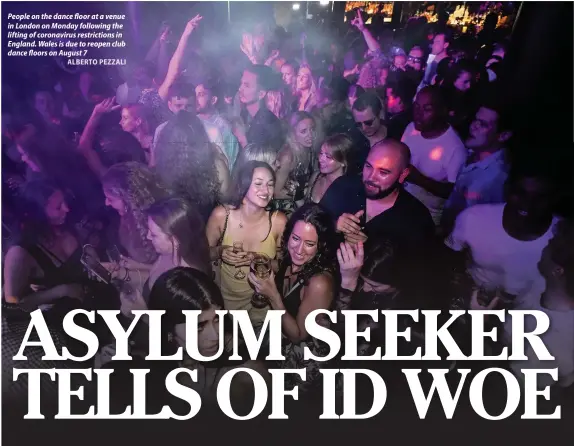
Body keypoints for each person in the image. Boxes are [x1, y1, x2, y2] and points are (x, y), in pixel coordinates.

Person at [102, 267, 268, 414]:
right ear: (170, 330)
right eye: (199, 327)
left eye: (217, 319)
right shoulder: (171, 346)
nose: (215, 335)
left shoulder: (244, 377)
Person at [248, 203, 338, 393]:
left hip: (303, 359)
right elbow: (280, 265)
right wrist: (254, 259)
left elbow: (298, 336)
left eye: (310, 244)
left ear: (321, 246)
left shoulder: (319, 283)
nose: (299, 250)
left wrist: (273, 296)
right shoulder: (292, 258)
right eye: (295, 238)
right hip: (281, 340)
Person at [445, 165, 562, 309]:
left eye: (539, 197)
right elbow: (449, 258)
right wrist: (462, 287)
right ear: (507, 190)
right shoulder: (473, 218)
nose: (528, 203)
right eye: (520, 193)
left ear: (553, 199)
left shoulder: (563, 237)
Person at [206, 161, 287, 326]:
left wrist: (258, 259)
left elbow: (285, 267)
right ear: (243, 184)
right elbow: (202, 254)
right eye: (258, 184)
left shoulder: (278, 221)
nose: (266, 190)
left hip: (263, 308)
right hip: (225, 308)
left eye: (270, 185)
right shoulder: (222, 215)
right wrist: (220, 251)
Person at [104, 196, 212, 317]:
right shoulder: (167, 253)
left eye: (154, 235)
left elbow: (179, 332)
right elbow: (154, 279)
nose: (148, 237)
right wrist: (121, 273)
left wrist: (144, 313)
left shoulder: (187, 281)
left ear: (175, 240)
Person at [320, 139, 435, 252]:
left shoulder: (417, 219)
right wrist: (333, 225)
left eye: (383, 172)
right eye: (368, 166)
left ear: (403, 175)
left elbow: (416, 267)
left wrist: (371, 247)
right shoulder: (344, 186)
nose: (371, 177)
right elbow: (311, 218)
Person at [442, 99, 513, 234]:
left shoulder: (496, 179)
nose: (474, 126)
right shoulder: (471, 153)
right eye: (475, 120)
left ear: (503, 136)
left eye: (483, 124)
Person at [401, 86, 466, 226]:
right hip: (401, 204)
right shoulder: (411, 128)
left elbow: (453, 193)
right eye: (417, 106)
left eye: (427, 109)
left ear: (442, 111)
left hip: (426, 217)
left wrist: (419, 179)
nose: (418, 114)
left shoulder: (455, 148)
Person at [153, 111, 224, 220]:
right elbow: (227, 198)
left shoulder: (160, 165)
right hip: (206, 225)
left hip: (175, 226)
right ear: (200, 136)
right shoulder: (216, 162)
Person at [101, 162, 170, 265]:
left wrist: (132, 270)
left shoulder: (159, 223)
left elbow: (165, 268)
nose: (106, 203)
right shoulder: (127, 215)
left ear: (128, 199)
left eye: (111, 199)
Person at [274, 112, 318, 214]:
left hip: (299, 203)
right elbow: (276, 192)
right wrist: (299, 199)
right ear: (292, 134)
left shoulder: (308, 149)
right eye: (303, 131)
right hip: (284, 208)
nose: (310, 135)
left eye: (312, 129)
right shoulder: (287, 157)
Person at [236, 64, 284, 150]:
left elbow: (259, 160)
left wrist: (242, 139)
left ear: (261, 94)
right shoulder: (244, 114)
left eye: (247, 85)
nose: (240, 88)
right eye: (241, 83)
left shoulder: (268, 123)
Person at [306, 134, 351, 204]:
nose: (320, 159)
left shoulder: (347, 191)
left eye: (328, 156)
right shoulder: (316, 176)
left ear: (343, 162)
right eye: (321, 153)